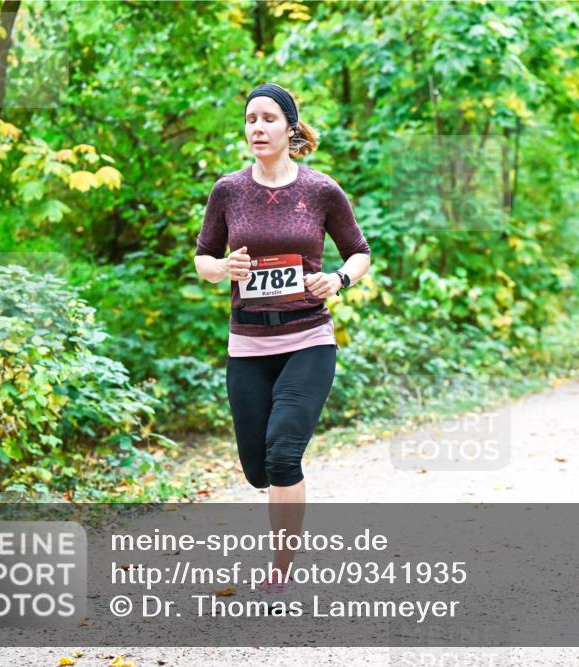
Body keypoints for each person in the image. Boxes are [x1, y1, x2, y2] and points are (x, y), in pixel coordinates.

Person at [193, 82, 371, 599]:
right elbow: (203, 258)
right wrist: (223, 268)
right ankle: (275, 506)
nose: (257, 128)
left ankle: (280, 567)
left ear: (290, 128)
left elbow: (359, 251)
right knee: (255, 468)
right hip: (248, 344)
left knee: (282, 455)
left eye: (268, 118)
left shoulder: (320, 190)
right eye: (251, 119)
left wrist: (337, 280)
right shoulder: (228, 189)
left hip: (308, 339)